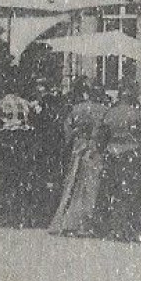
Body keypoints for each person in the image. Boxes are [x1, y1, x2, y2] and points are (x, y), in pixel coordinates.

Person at [94, 81, 141, 242]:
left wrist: (102, 151)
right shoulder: (139, 114)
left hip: (112, 154)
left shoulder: (110, 113)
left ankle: (110, 227)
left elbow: (101, 135)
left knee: (110, 191)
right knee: (132, 192)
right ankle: (130, 228)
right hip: (132, 155)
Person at [49, 82, 109, 237]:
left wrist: (72, 140)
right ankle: (86, 224)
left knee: (73, 184)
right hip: (95, 149)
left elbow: (67, 129)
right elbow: (106, 132)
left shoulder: (77, 109)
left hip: (78, 147)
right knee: (92, 186)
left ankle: (67, 222)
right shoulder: (104, 111)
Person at [0, 88, 42, 227]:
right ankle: (23, 215)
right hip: (23, 140)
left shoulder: (1, 103)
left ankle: (6, 215)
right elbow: (34, 119)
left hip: (7, 139)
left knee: (6, 178)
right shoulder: (25, 102)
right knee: (22, 177)